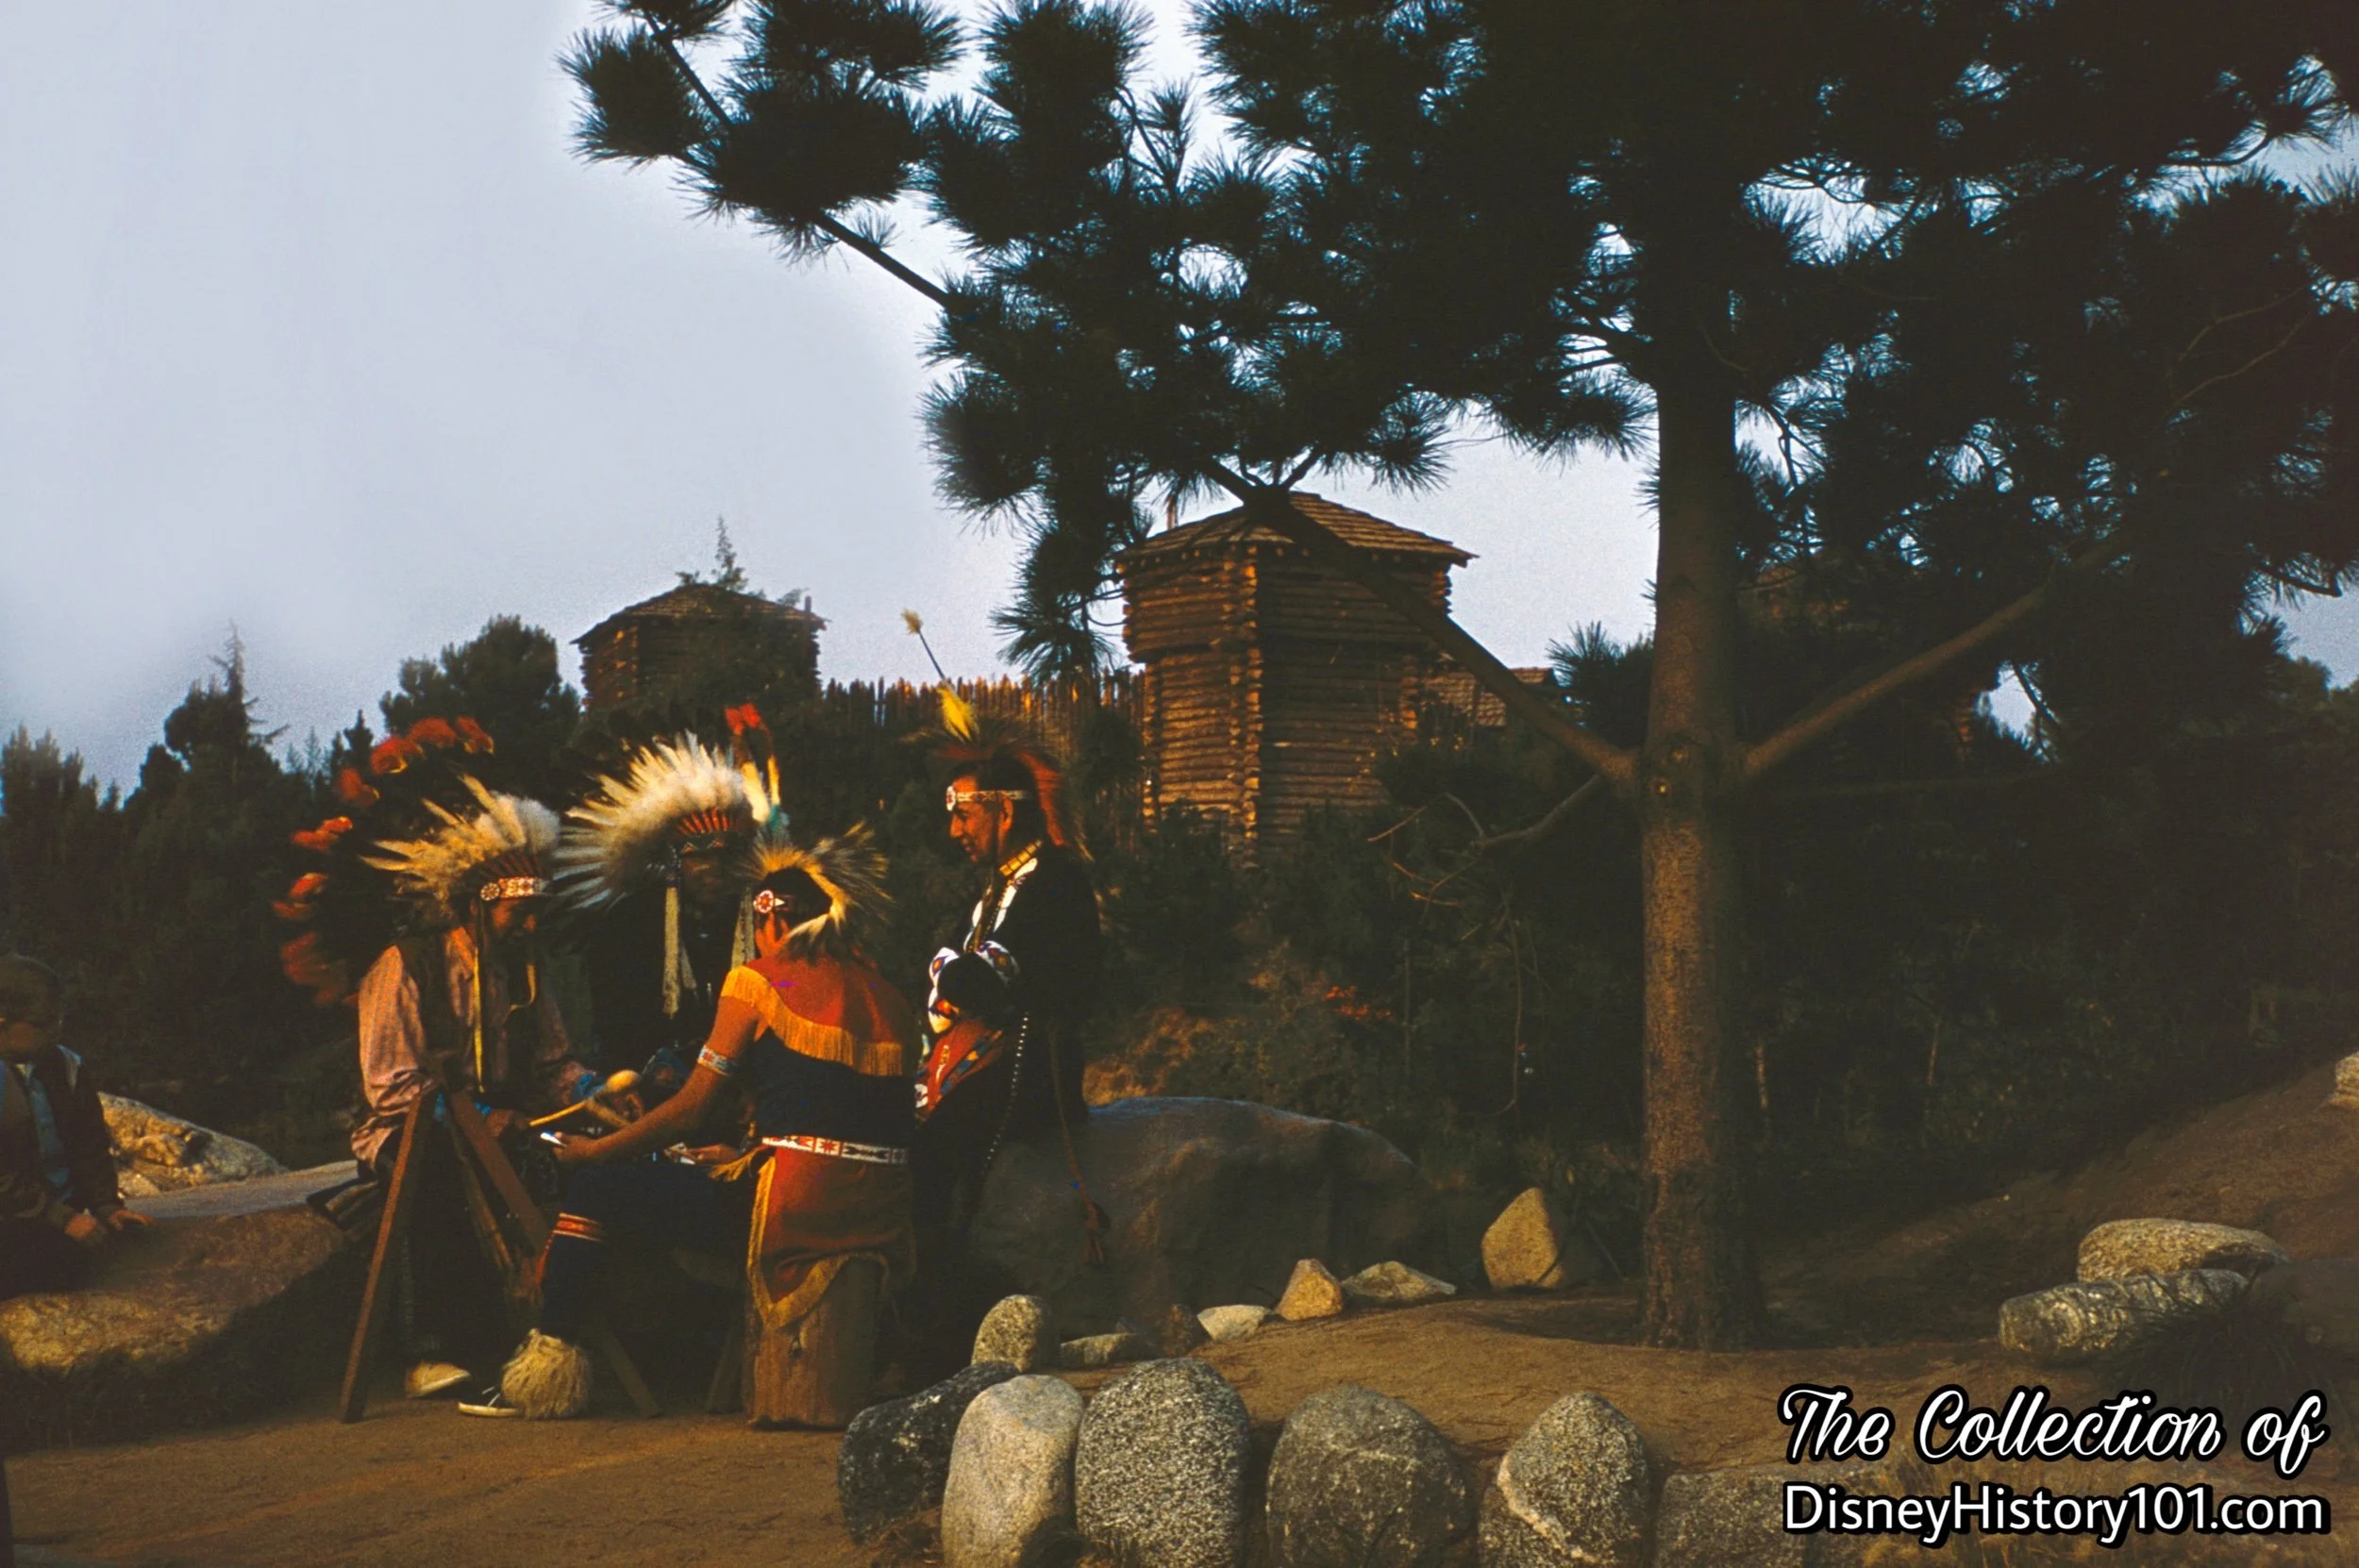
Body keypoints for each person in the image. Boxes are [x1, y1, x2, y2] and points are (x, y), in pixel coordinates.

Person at [481, 831, 918, 1420]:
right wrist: (743, 1153)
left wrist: (598, 1152)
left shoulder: (759, 981)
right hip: (882, 1212)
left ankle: (550, 1364)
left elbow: (690, 1107)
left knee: (599, 1190)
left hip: (791, 1208)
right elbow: (836, 1111)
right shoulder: (889, 995)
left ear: (768, 922)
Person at [350, 780, 599, 1397]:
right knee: (429, 1173)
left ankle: (557, 1332)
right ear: (476, 907)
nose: (531, 925)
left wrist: (600, 1092)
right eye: (520, 912)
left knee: (588, 1160)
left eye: (538, 911)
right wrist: (477, 1117)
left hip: (504, 1122)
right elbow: (390, 1087)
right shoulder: (405, 966)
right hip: (409, 1132)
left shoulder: (525, 972)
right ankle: (432, 1351)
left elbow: (554, 1066)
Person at [913, 745, 1103, 1233]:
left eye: (966, 816)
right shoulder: (1000, 885)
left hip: (1036, 1067)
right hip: (986, 1057)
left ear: (1006, 811)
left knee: (932, 1155)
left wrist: (955, 970)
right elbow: (947, 964)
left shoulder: (1056, 882)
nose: (956, 831)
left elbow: (969, 979)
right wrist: (955, 970)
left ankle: (944, 1282)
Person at [558, 736, 762, 1103]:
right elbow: (616, 1020)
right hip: (646, 1087)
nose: (714, 869)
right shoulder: (630, 923)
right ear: (675, 863)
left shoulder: (755, 922)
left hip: (742, 1087)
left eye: (724, 858)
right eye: (699, 858)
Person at [0, 953, 149, 1301]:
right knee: (48, 1262)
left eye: (57, 1019)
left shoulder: (66, 1066)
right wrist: (59, 1217)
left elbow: (89, 1143)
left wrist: (106, 1206)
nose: (56, 1029)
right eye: (42, 1023)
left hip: (55, 1211)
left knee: (78, 1255)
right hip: (16, 1216)